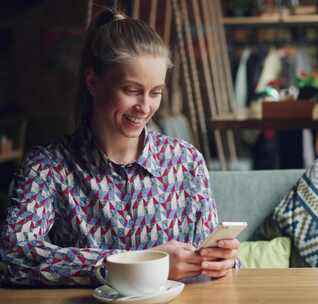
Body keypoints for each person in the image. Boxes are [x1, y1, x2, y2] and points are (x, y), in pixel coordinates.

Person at [0, 9, 239, 286]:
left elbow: (208, 260)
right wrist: (142, 263)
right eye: (132, 90)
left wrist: (224, 261)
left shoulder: (186, 161)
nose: (145, 107)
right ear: (93, 83)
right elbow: (12, 257)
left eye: (155, 92)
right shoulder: (47, 167)